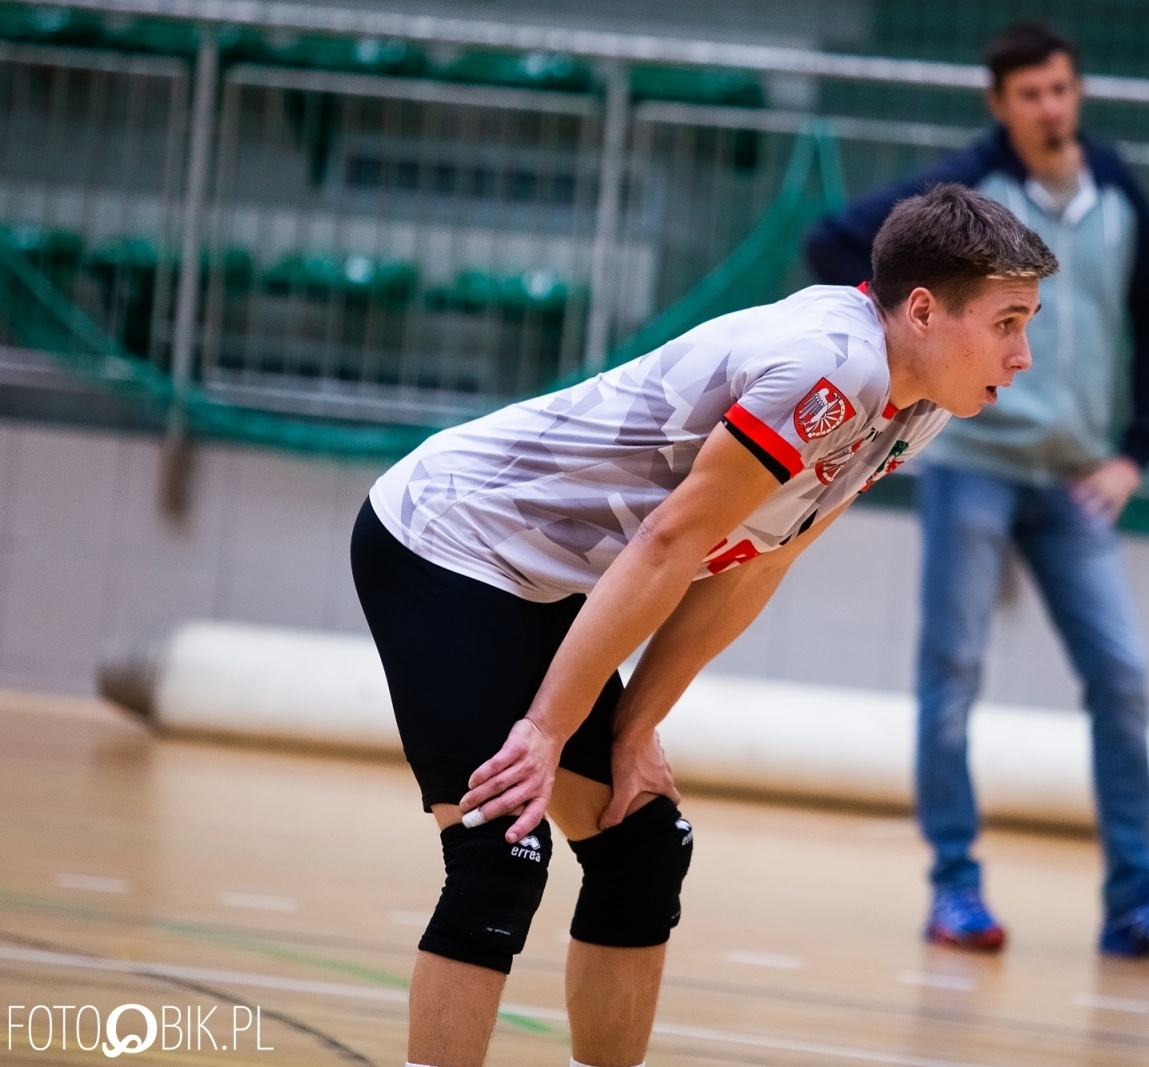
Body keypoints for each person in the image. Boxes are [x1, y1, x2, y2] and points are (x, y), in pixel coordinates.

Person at [349, 184, 1056, 1067]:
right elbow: (668, 542)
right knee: (503, 852)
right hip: (449, 539)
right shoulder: (834, 368)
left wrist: (634, 729)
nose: (1023, 353)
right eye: (1008, 322)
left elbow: (760, 558)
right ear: (922, 310)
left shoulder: (922, 405)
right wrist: (546, 728)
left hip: (548, 579)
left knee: (643, 843)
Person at [806, 22, 1149, 963]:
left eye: (1062, 89)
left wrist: (1139, 450)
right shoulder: (965, 197)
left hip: (1076, 481)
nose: (1051, 108)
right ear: (1000, 105)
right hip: (972, 468)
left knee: (1123, 677)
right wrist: (895, 384)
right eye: (1030, 94)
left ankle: (1134, 903)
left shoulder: (1116, 192)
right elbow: (829, 240)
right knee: (950, 680)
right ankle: (955, 889)